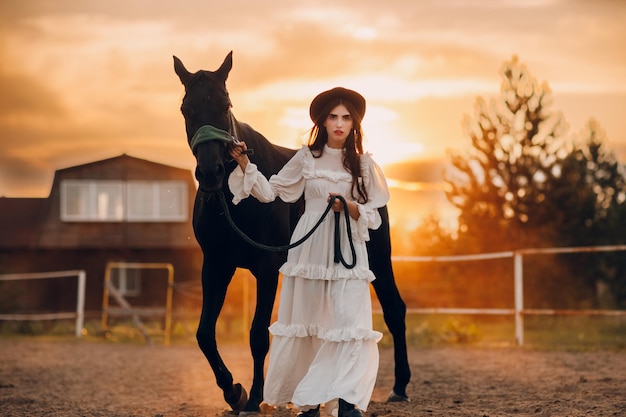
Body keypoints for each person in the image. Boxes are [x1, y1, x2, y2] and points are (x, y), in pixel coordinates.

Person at [228, 87, 390, 417]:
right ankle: (309, 402)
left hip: (348, 247)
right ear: (323, 121)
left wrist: (351, 208)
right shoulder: (306, 158)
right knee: (310, 321)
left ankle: (346, 400)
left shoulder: (363, 164)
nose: (340, 124)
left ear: (354, 123)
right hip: (311, 249)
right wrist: (245, 163)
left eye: (346, 117)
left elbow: (373, 212)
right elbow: (273, 191)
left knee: (348, 322)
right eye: (333, 117)